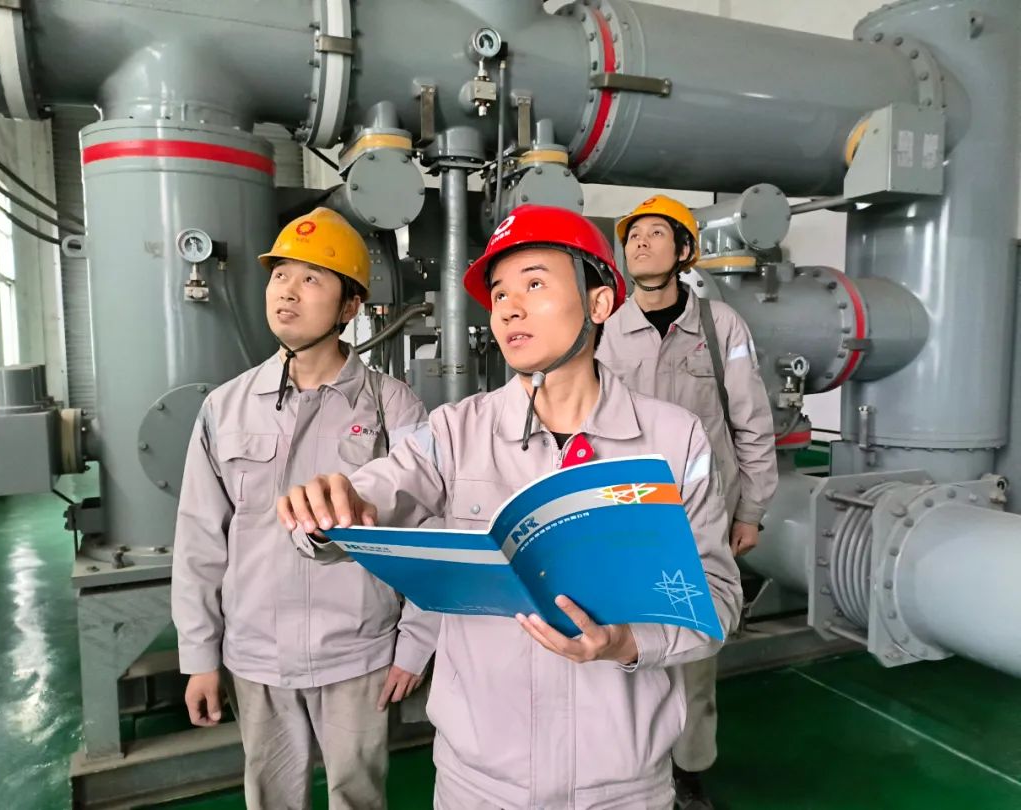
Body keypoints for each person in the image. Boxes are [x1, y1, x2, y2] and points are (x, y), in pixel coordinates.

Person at [278, 205, 742, 809]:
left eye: (535, 284)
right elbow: (375, 490)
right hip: (479, 782)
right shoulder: (454, 431)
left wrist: (626, 643)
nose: (509, 308)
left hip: (621, 785)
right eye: (499, 294)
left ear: (600, 303)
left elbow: (717, 601)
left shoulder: (674, 441)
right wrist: (326, 512)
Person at [171, 207, 438, 810]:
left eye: (312, 278)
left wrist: (416, 643)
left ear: (350, 307)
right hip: (255, 653)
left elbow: (429, 530)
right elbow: (200, 539)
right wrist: (200, 656)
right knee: (270, 797)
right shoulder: (225, 407)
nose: (287, 291)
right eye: (280, 275)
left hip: (357, 653)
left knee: (357, 795)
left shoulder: (394, 408)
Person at [597, 195, 778, 810]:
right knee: (622, 646)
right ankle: (627, 770)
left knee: (696, 656)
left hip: (700, 522)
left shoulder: (720, 326)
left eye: (655, 233)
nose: (640, 243)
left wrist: (751, 510)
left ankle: (689, 773)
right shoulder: (605, 330)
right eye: (632, 236)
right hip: (622, 521)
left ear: (683, 251)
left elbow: (751, 420)